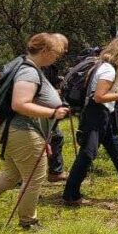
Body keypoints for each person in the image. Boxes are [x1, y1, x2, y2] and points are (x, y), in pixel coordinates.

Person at [0, 33, 70, 229]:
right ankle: (28, 222)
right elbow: (20, 104)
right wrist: (53, 113)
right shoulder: (29, 72)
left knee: (11, 174)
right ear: (45, 51)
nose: (56, 58)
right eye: (56, 54)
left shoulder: (24, 65)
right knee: (35, 177)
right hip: (20, 131)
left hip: (11, 131)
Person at [62, 38, 118, 205]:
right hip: (95, 116)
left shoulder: (109, 68)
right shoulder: (108, 70)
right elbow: (99, 97)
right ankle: (70, 195)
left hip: (106, 116)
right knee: (87, 155)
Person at [41, 33, 69, 182]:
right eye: (63, 48)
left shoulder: (50, 64)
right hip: (39, 109)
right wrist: (54, 92)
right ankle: (54, 172)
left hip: (46, 108)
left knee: (54, 137)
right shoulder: (41, 64)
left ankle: (55, 172)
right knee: (51, 138)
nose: (64, 52)